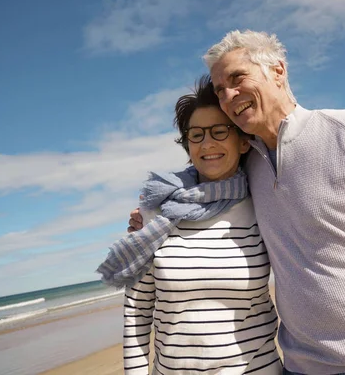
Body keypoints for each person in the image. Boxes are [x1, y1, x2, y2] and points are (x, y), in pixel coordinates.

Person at [129, 30, 345, 375]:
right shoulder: (246, 166)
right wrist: (155, 208)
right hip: (305, 367)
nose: (229, 95)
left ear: (278, 71)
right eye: (220, 89)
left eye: (238, 78)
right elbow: (201, 180)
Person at [98, 75, 282, 374]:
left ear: (243, 141)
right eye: (196, 134)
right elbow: (137, 311)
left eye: (219, 131)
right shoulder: (157, 214)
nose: (207, 143)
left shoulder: (264, 205)